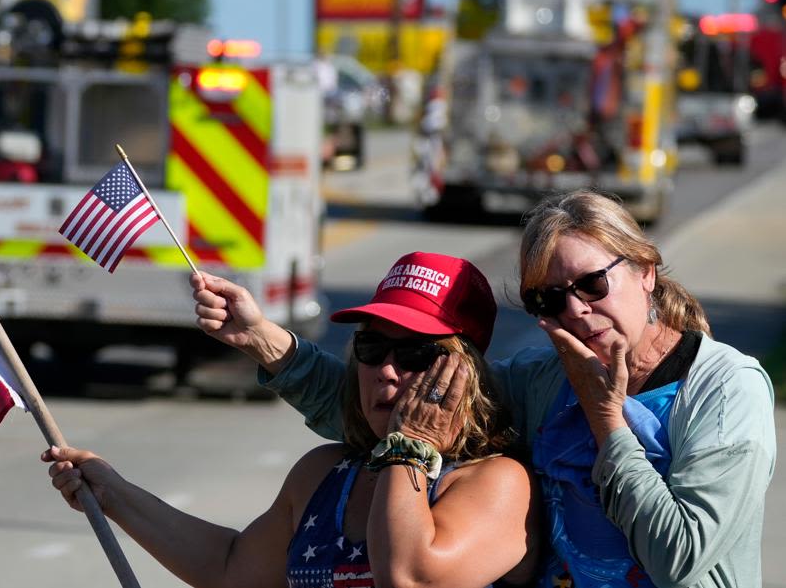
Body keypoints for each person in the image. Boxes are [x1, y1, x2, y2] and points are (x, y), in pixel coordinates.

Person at [192, 190, 776, 588]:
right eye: (548, 299)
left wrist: (607, 423)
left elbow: (680, 560)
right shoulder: (546, 380)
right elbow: (397, 401)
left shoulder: (724, 389)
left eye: (593, 284)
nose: (575, 310)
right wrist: (264, 340)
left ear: (646, 271)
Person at [45, 252, 541, 588]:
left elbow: (409, 578)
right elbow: (229, 568)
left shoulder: (497, 482)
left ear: (465, 371)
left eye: (415, 355)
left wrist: (409, 445)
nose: (386, 370)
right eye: (371, 347)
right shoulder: (324, 473)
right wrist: (113, 494)